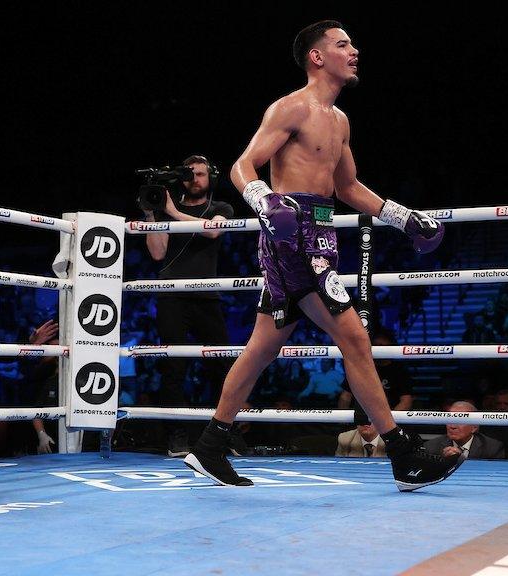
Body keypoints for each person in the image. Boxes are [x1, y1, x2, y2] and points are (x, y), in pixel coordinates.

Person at [184, 20, 460, 492]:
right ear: (317, 56)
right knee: (353, 337)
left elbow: (347, 187)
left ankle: (210, 446)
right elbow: (241, 165)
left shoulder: (338, 121)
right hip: (292, 236)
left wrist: (403, 216)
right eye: (343, 44)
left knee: (263, 347)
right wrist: (266, 201)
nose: (354, 51)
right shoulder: (291, 107)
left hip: (319, 231)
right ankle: (402, 453)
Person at [141, 155, 236, 457]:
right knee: (173, 365)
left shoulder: (222, 208)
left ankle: (224, 435)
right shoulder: (168, 211)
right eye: (188, 174)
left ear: (212, 178)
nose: (194, 178)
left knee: (221, 365)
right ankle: (176, 437)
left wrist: (170, 210)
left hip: (207, 294)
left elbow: (213, 231)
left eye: (200, 174)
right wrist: (152, 216)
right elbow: (158, 254)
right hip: (172, 294)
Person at [338, 327, 413, 411]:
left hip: (390, 414)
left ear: (391, 344)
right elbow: (345, 396)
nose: (378, 345)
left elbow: (406, 401)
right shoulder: (360, 367)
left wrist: (388, 422)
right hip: (363, 417)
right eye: (375, 344)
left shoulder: (399, 370)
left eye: (381, 344)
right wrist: (344, 421)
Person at [422, 401, 504, 460]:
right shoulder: (431, 447)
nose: (452, 426)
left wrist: (462, 460)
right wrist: (444, 462)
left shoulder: (492, 448)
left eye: (460, 421)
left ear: (474, 427)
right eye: (449, 419)